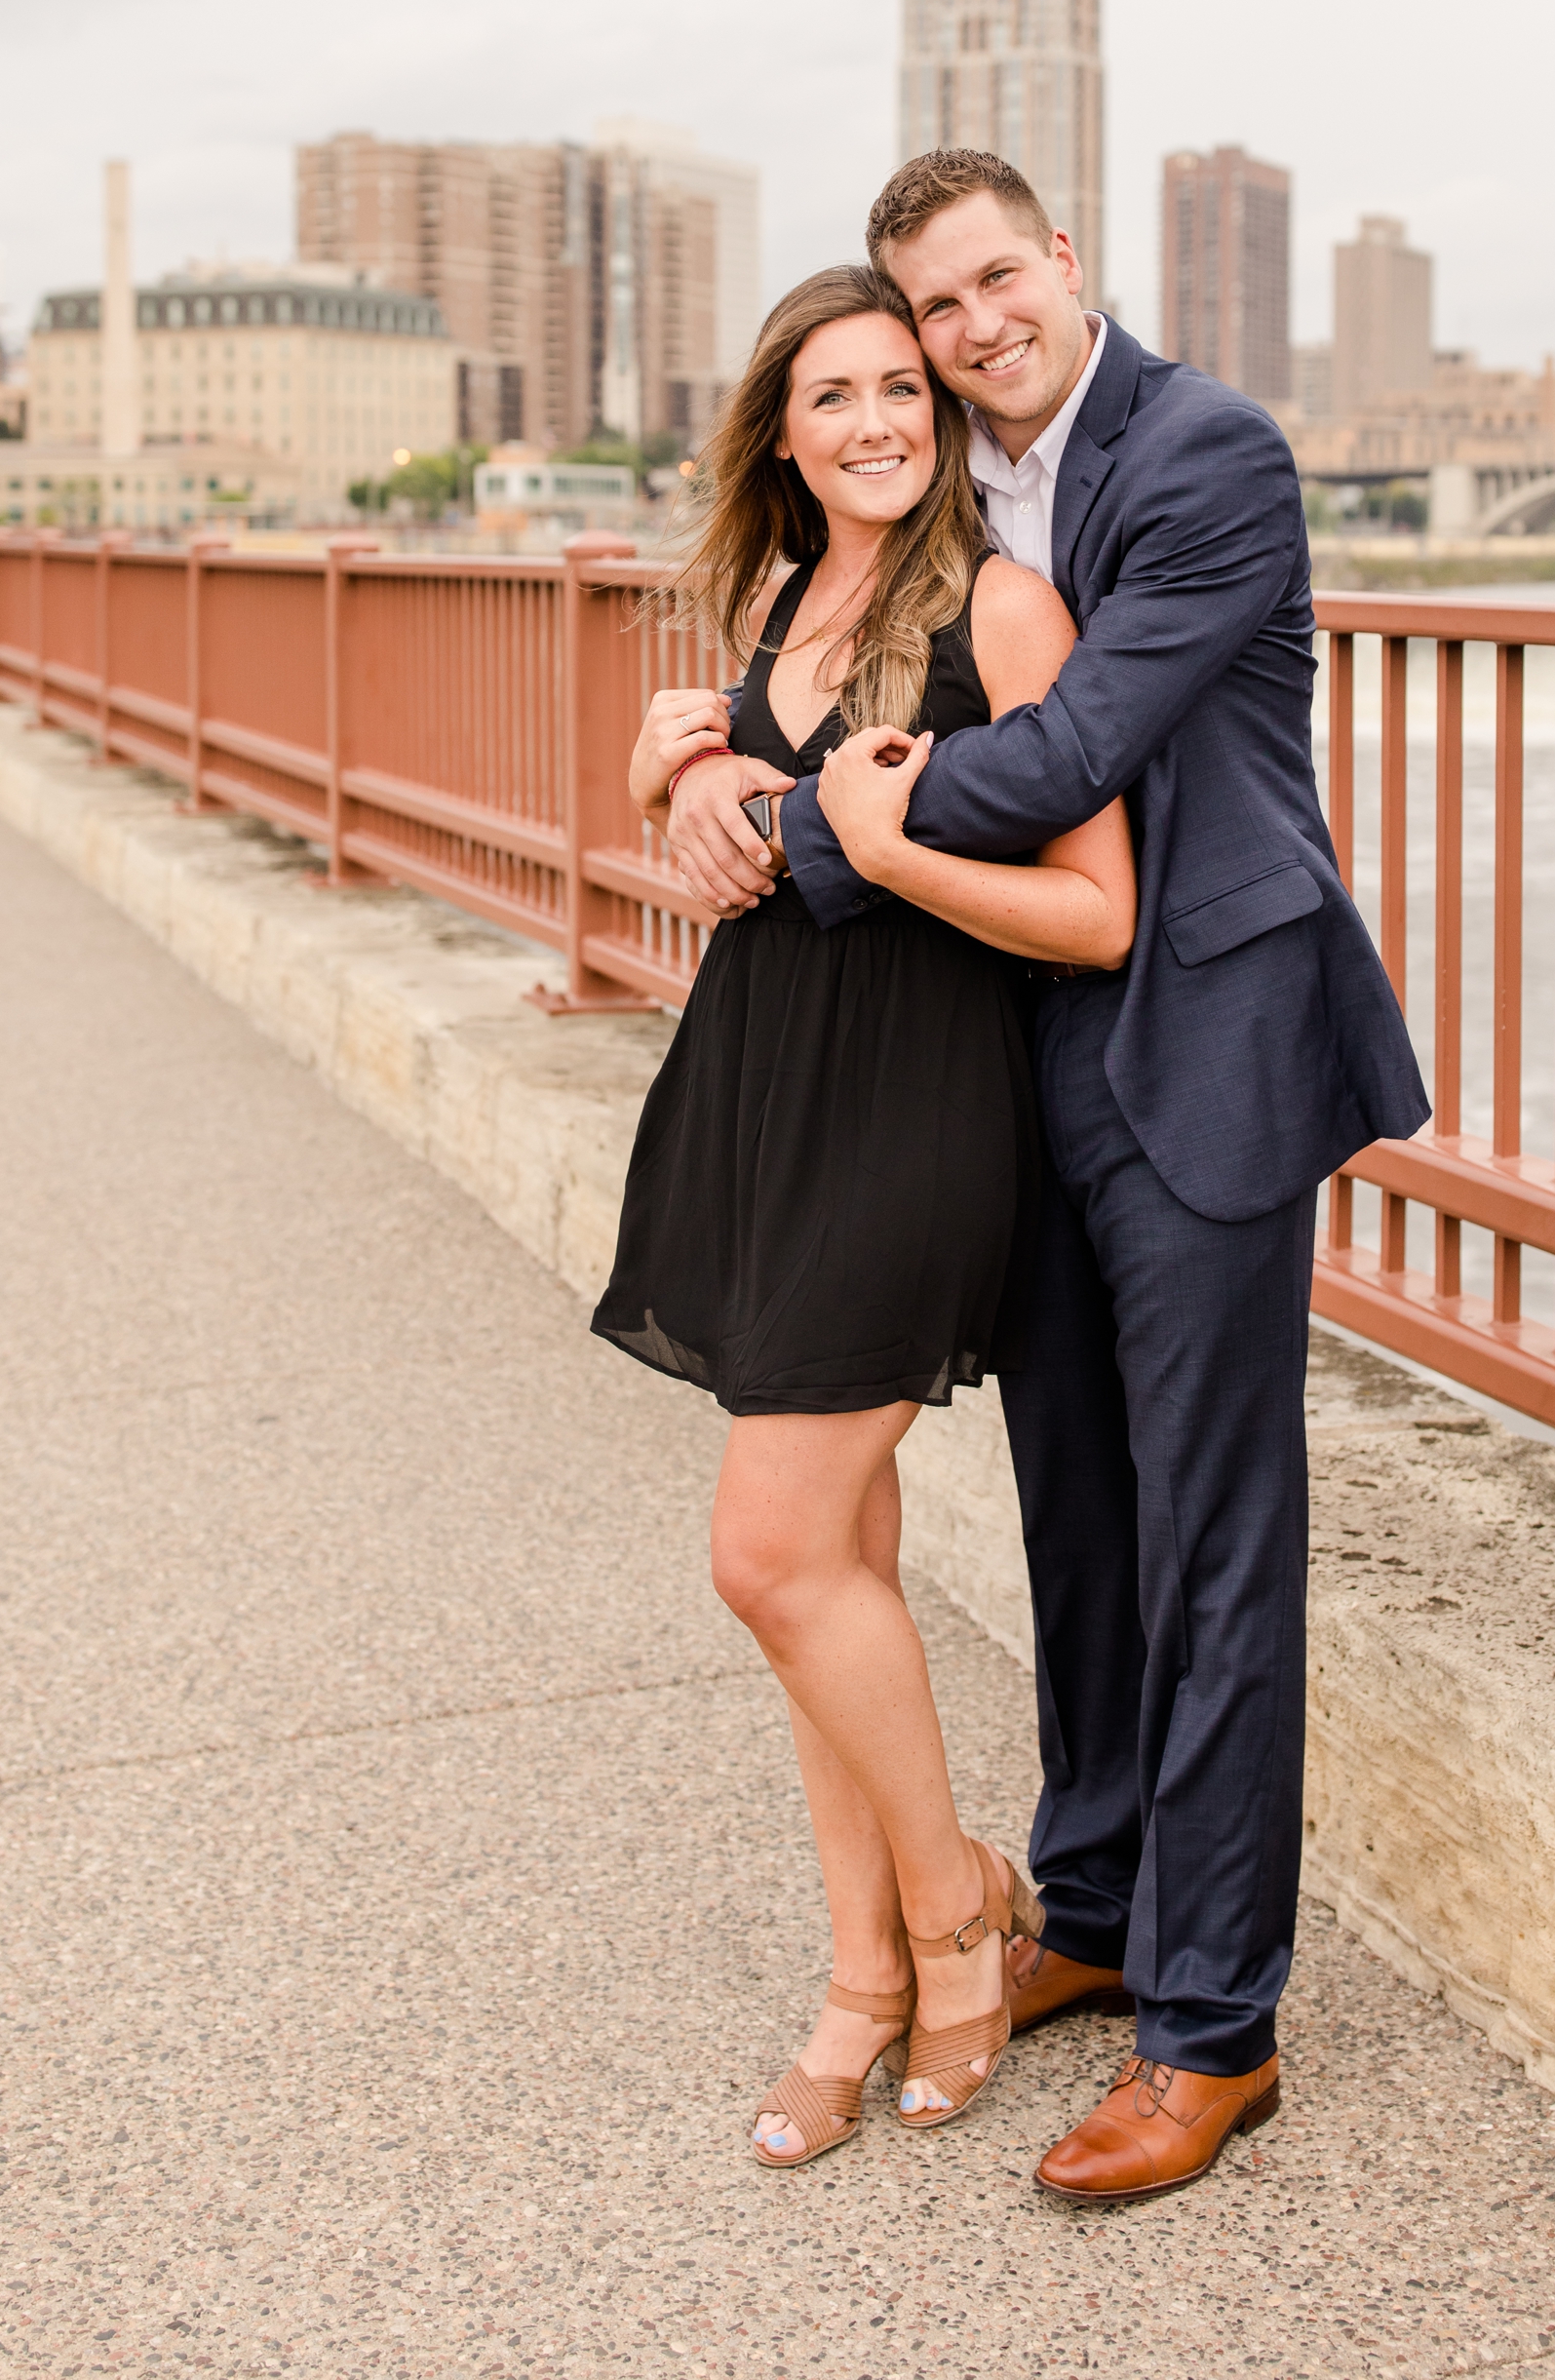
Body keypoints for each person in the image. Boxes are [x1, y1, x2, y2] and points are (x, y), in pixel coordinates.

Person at [663, 154, 1428, 2204]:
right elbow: (834, 671)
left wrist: (789, 822)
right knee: (1077, 1514)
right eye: (937, 305)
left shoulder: (1202, 455)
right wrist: (698, 748)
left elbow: (1063, 747)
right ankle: (1084, 1900)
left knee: (1211, 1541)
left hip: (1204, 1034)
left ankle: (1212, 2025)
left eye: (998, 278)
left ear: (1063, 261)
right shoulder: (962, 482)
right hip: (1027, 1051)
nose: (974, 324)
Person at [594, 262, 1137, 2170]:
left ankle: (959, 1910)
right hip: (760, 1092)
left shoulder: (1000, 606)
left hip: (914, 1110)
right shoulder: (770, 605)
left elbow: (1098, 913)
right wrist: (674, 774)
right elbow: (736, 850)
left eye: (902, 388)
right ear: (783, 430)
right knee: (840, 1569)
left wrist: (898, 854)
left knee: (767, 1554)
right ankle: (863, 1972)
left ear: (945, 411)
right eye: (834, 396)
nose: (878, 423)